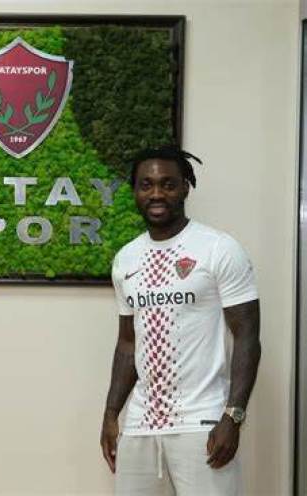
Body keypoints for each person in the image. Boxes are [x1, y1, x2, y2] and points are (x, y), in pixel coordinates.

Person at [100, 146, 261, 495]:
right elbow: (128, 343)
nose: (157, 193)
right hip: (140, 425)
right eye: (146, 184)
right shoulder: (126, 258)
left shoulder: (218, 248)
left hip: (202, 423)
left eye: (168, 184)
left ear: (185, 187)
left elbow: (247, 335)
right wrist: (111, 413)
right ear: (135, 191)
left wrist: (233, 416)